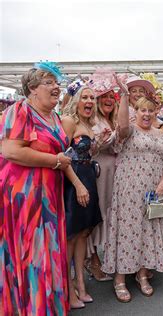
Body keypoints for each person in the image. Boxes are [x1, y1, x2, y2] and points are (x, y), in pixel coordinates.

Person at [0, 62, 71, 315]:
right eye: (49, 83)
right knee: (32, 252)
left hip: (49, 195)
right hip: (24, 196)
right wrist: (56, 161)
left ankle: (46, 305)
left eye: (57, 83)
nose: (56, 87)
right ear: (32, 89)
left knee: (47, 249)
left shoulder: (54, 116)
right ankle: (32, 307)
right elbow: (10, 151)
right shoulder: (20, 111)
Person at [102, 79, 163, 302]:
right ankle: (120, 279)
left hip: (154, 191)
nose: (146, 114)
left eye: (150, 110)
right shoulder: (129, 131)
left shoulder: (161, 135)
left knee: (148, 230)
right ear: (136, 110)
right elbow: (122, 126)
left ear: (155, 113)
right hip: (128, 190)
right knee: (127, 230)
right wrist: (123, 96)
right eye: (142, 110)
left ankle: (143, 275)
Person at [61, 84, 103, 309]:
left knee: (83, 234)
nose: (89, 101)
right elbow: (61, 157)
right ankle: (68, 291)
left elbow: (86, 151)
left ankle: (81, 285)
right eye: (85, 97)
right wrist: (77, 186)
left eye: (92, 98)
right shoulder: (69, 122)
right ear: (76, 101)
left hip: (88, 177)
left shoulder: (88, 123)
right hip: (74, 181)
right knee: (71, 237)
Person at [85, 68, 118, 282]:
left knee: (109, 214)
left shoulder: (113, 119)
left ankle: (104, 258)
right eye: (103, 96)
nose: (108, 100)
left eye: (111, 96)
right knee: (97, 216)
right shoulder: (92, 121)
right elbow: (91, 148)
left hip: (114, 173)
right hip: (97, 173)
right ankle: (93, 260)